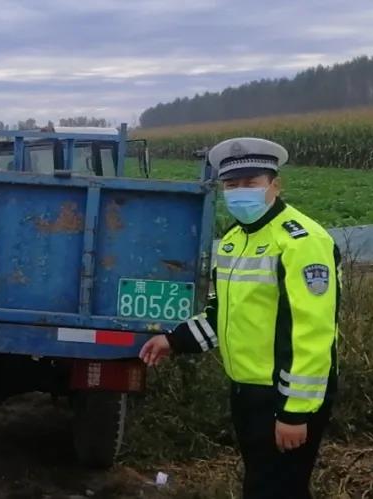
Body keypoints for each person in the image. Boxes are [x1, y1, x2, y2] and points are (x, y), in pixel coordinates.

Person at [139, 137, 340, 499]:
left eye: (251, 183)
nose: (240, 192)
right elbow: (223, 316)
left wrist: (294, 413)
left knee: (275, 489)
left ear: (275, 185)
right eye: (232, 185)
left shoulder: (302, 241)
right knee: (269, 486)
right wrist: (174, 340)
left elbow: (311, 333)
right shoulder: (233, 241)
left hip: (285, 395)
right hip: (247, 392)